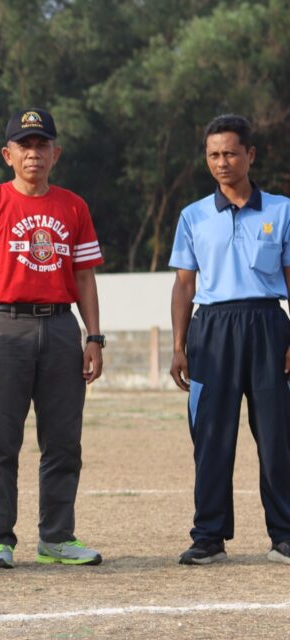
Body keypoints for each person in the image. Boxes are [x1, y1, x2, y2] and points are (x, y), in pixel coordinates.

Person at [0, 108, 105, 569]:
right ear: (7, 154)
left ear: (55, 153)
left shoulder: (73, 206)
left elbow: (85, 278)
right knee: (2, 441)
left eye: (42, 145)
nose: (33, 153)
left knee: (63, 440)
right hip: (5, 326)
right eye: (24, 145)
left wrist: (94, 336)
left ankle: (57, 537)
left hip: (60, 326)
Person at [168, 113, 290, 566]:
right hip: (212, 330)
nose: (222, 162)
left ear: (250, 155)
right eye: (214, 154)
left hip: (267, 326)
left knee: (278, 436)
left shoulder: (281, 210)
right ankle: (209, 537)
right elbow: (183, 285)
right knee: (212, 436)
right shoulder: (193, 216)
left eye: (231, 153)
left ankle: (284, 534)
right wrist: (179, 346)